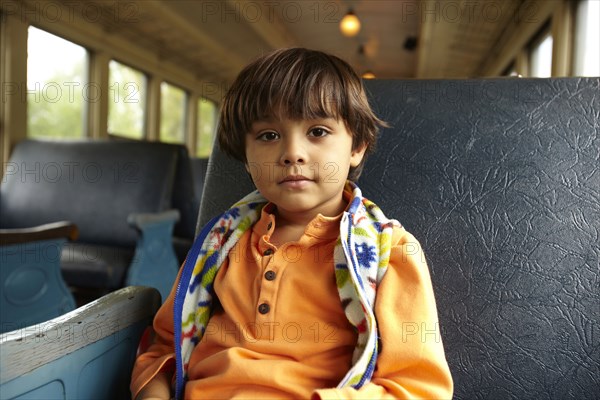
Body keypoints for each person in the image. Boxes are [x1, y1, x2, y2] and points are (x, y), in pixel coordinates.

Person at [131, 48, 453, 400]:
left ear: (357, 146)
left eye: (317, 131)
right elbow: (165, 347)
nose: (292, 152)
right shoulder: (219, 245)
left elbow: (418, 388)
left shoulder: (388, 252)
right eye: (268, 135)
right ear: (245, 154)